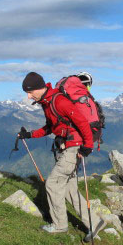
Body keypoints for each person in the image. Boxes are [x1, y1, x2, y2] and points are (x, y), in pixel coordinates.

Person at [19, 71, 105, 236]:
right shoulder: (47, 102)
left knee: (52, 184)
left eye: (29, 92)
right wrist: (30, 134)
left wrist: (87, 145)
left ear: (38, 88)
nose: (29, 97)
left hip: (73, 148)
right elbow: (51, 127)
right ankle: (94, 222)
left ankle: (59, 226)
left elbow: (81, 121)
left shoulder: (58, 101)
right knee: (68, 189)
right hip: (65, 147)